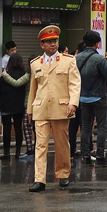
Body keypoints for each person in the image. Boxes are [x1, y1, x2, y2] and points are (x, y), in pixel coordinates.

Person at [27, 25, 81, 192]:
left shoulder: (69, 60)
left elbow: (74, 83)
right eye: (49, 42)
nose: (53, 44)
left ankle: (63, 174)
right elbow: (33, 89)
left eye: (55, 41)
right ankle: (39, 179)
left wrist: (73, 103)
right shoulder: (35, 63)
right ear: (42, 45)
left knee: (62, 144)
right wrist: (29, 110)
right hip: (41, 108)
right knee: (40, 145)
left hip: (61, 108)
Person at [76, 31, 107, 167]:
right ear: (97, 43)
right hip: (98, 96)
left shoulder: (77, 58)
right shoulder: (99, 59)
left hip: (82, 97)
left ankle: (85, 155)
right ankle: (100, 156)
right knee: (101, 127)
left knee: (85, 126)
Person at [0, 54, 28, 159]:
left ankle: (6, 153)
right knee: (18, 128)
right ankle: (18, 152)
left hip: (5, 104)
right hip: (18, 105)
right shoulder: (24, 75)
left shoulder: (5, 75)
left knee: (6, 128)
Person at [1, 66, 33, 159]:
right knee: (37, 129)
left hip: (27, 104)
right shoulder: (41, 73)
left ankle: (29, 149)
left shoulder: (28, 75)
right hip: (39, 104)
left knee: (27, 128)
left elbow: (17, 83)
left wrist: (5, 76)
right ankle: (35, 150)